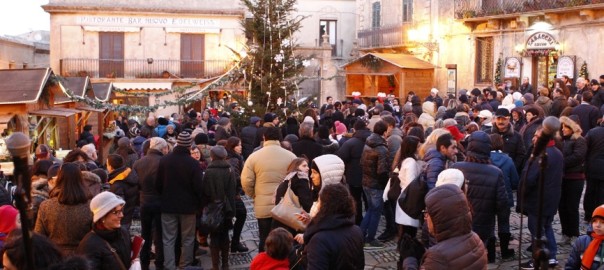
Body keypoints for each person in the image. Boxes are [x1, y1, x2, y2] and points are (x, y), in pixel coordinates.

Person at [451, 131, 508, 263]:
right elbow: (502, 204)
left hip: (461, 220)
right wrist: (503, 228)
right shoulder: (495, 172)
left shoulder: (457, 167)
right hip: (485, 222)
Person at [401, 184, 488, 269]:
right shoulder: (475, 238)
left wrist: (409, 260)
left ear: (440, 218)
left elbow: (443, 260)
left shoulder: (438, 256)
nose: (426, 218)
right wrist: (423, 253)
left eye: (428, 213)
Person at [242, 126, 296, 252]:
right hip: (284, 205)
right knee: (284, 240)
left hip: (263, 206)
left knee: (265, 239)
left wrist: (255, 195)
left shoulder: (254, 157)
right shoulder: (291, 156)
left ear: (264, 137)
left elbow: (246, 181)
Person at [156, 131, 203, 270]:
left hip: (167, 206)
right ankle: (184, 266)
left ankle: (169, 266)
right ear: (189, 146)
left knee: (168, 239)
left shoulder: (165, 160)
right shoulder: (193, 163)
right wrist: (198, 204)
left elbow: (158, 184)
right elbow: (198, 187)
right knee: (188, 239)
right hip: (188, 208)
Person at [519, 127, 564, 268]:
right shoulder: (558, 153)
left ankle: (537, 259)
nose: (533, 138)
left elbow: (529, 179)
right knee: (547, 227)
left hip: (538, 200)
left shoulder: (540, 155)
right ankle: (552, 256)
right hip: (552, 199)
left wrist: (522, 194)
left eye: (537, 136)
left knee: (537, 231)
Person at [34, 162, 92, 256]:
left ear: (59, 179)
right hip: (84, 257)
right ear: (80, 179)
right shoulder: (90, 206)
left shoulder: (46, 206)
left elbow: (39, 236)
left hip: (55, 257)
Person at [302, 184, 365, 269]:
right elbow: (360, 264)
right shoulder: (357, 231)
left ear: (325, 206)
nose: (317, 205)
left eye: (319, 201)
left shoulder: (319, 240)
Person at [133, 137, 169, 270]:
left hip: (144, 201)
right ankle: (159, 264)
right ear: (163, 148)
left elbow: (135, 184)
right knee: (159, 235)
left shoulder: (138, 162)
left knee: (145, 233)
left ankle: (144, 263)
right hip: (160, 202)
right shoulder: (164, 162)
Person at [201, 146, 236, 270]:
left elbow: (205, 191)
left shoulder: (209, 171)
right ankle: (225, 264)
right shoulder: (229, 169)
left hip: (213, 209)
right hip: (227, 208)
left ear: (212, 156)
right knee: (225, 236)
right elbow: (233, 190)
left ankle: (215, 266)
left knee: (214, 237)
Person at [77, 192, 131, 270]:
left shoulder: (123, 233)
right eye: (116, 212)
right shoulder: (89, 245)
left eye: (121, 210)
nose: (121, 215)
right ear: (102, 217)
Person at [489, 133, 519, 259]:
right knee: (504, 224)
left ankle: (490, 254)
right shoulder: (508, 159)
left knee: (489, 224)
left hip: (488, 195)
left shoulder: (485, 158)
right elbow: (515, 181)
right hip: (505, 195)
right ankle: (505, 251)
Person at [360, 120, 390, 249]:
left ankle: (361, 235)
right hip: (376, 184)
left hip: (366, 181)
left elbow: (362, 162)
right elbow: (382, 171)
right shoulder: (381, 149)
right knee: (375, 211)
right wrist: (385, 184)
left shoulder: (367, 143)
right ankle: (370, 238)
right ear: (384, 132)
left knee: (370, 210)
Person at [336, 119, 372, 225]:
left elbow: (341, 157)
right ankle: (369, 221)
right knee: (369, 200)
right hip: (371, 176)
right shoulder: (373, 139)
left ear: (355, 129)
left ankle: (358, 220)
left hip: (354, 176)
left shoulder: (350, 143)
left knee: (356, 200)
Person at [558, 116, 587, 244]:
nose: (563, 129)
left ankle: (574, 233)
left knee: (572, 207)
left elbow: (578, 156)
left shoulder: (579, 140)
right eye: (562, 127)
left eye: (566, 127)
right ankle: (565, 233)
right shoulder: (561, 141)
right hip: (562, 177)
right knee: (562, 206)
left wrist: (561, 162)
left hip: (575, 178)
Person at [273, 158, 313, 235]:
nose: (308, 168)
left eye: (307, 166)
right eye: (304, 166)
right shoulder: (301, 179)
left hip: (281, 218)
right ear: (296, 167)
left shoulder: (287, 178)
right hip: (293, 221)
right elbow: (306, 202)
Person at [225, 137, 249, 253]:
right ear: (232, 146)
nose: (241, 147)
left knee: (237, 216)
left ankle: (232, 242)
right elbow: (235, 177)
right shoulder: (234, 159)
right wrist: (244, 182)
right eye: (238, 145)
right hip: (233, 195)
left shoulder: (231, 157)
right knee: (242, 214)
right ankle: (235, 243)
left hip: (231, 194)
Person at [565, 204, 604, 270]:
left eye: (603, 222)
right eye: (595, 221)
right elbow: (571, 264)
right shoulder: (581, 241)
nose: (598, 225)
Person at [106, 154, 138, 231]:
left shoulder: (117, 183)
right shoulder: (129, 174)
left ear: (110, 167)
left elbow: (119, 205)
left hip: (121, 218)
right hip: (129, 213)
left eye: (107, 164)